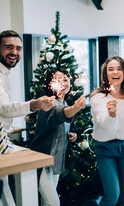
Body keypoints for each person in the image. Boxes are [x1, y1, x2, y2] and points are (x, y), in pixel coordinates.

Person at [0, 30, 55, 138]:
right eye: (9, 47)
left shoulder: (2, 71)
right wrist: (34, 105)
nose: (14, 52)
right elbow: (4, 108)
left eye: (18, 48)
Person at [30, 68, 86, 206]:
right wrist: (76, 108)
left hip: (56, 161)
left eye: (65, 79)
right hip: (43, 161)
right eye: (58, 79)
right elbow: (59, 114)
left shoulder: (64, 104)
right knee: (53, 203)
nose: (63, 82)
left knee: (46, 202)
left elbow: (55, 126)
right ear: (50, 83)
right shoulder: (47, 103)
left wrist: (68, 135)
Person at [90, 56, 124, 206]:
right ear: (106, 74)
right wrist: (111, 113)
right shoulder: (98, 96)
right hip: (105, 149)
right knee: (113, 196)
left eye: (119, 68)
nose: (115, 72)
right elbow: (106, 125)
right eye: (111, 69)